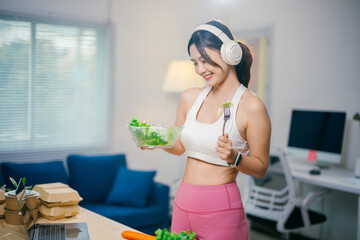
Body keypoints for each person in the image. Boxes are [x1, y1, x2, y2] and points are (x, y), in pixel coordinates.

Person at [163, 20, 271, 240]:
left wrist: (235, 157)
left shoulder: (252, 106)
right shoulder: (189, 98)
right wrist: (156, 140)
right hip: (182, 204)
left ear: (229, 54)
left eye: (205, 60)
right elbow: (180, 146)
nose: (200, 69)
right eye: (195, 62)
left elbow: (261, 167)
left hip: (221, 211)